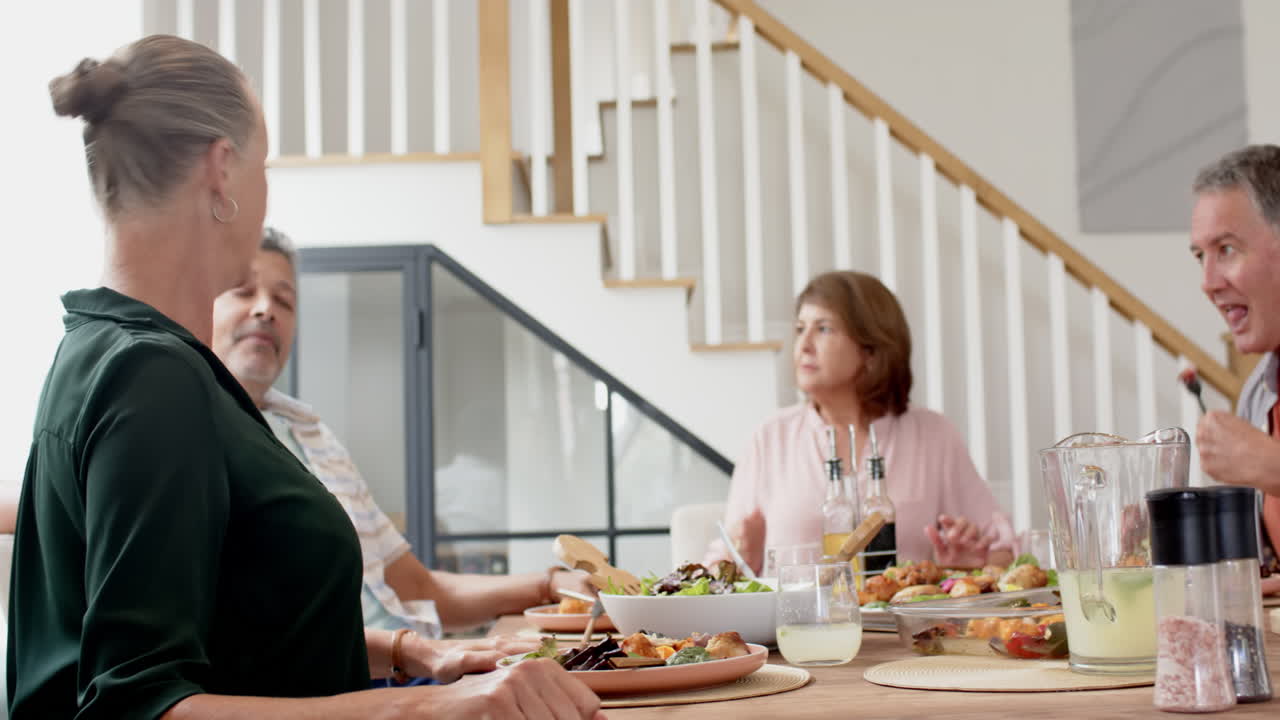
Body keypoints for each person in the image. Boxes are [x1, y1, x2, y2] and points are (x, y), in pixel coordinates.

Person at [9, 35, 602, 719]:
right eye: (267, 169)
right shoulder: (152, 378)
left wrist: (414, 653)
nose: (266, 197)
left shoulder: (96, 352)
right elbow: (139, 705)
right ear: (223, 171)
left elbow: (234, 632)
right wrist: (436, 708)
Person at [210, 227, 598, 682]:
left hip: (413, 666)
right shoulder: (193, 431)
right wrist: (416, 651)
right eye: (242, 291)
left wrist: (548, 585)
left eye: (285, 301)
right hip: (358, 682)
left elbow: (416, 585)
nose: (265, 310)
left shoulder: (312, 436)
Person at [708, 271, 1015, 573]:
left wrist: (971, 565)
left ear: (871, 350)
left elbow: (1004, 550)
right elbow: (723, 564)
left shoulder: (933, 435)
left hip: (905, 623)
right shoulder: (770, 437)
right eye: (801, 329)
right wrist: (741, 558)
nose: (804, 345)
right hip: (795, 623)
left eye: (824, 329)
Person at [1187, 144, 1280, 595]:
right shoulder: (1259, 392)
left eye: (1226, 249)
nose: (1208, 282)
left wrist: (1273, 467)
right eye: (1200, 256)